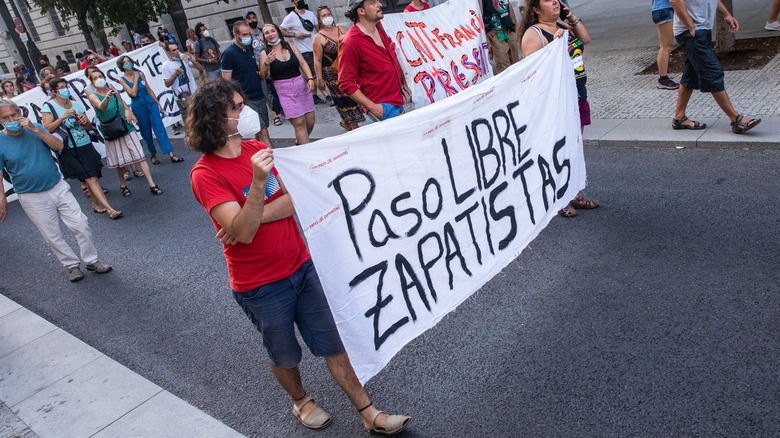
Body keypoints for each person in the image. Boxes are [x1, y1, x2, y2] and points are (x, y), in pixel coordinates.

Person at [187, 78, 411, 436]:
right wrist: (257, 188)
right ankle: (301, 400)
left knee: (332, 344)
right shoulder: (205, 174)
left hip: (301, 267)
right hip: (259, 285)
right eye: (237, 108)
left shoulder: (255, 150)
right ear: (217, 118)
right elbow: (243, 235)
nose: (246, 112)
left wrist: (249, 214)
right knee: (285, 355)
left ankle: (370, 414)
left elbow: (293, 201)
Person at [0, 100, 113, 281]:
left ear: (20, 112)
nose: (12, 119)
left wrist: (35, 130)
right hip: (30, 196)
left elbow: (58, 146)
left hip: (57, 186)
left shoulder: (35, 128)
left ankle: (92, 260)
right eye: (6, 118)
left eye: (14, 115)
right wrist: (2, 199)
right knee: (52, 235)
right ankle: (71, 266)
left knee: (81, 223)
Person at [521, 0, 599, 218]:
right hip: (556, 101)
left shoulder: (564, 27)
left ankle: (573, 192)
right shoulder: (533, 34)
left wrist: (571, 17)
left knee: (575, 146)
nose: (555, 1)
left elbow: (586, 39)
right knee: (557, 148)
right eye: (547, 0)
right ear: (536, 9)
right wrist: (552, 49)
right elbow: (532, 72)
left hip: (577, 95)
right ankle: (557, 196)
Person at [669, 0, 761, 134]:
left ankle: (679, 118)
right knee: (713, 72)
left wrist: (726, 14)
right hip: (691, 32)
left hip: (701, 30)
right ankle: (736, 119)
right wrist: (690, 24)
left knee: (691, 75)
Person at [41, 78, 122, 219]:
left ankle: (96, 205)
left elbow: (89, 127)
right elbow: (47, 128)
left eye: (66, 86)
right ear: (54, 92)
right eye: (61, 87)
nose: (65, 89)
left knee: (92, 175)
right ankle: (109, 209)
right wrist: (63, 117)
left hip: (84, 144)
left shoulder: (76, 105)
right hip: (69, 148)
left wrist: (85, 123)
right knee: (90, 178)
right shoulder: (49, 107)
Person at [86, 68, 162, 197]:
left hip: (125, 126)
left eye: (100, 76)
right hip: (112, 130)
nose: (99, 79)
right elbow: (101, 107)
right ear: (92, 83)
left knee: (140, 155)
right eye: (95, 78)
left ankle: (152, 184)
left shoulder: (112, 89)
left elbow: (121, 101)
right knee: (118, 162)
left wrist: (128, 111)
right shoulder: (93, 95)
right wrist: (107, 97)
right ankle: (123, 185)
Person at [339, 0, 410, 123]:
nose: (380, 4)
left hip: (397, 99)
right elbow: (345, 83)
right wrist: (372, 107)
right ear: (361, 11)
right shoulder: (351, 42)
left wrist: (404, 81)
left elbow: (392, 55)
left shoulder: (379, 26)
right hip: (383, 106)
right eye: (373, 2)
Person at [116, 55, 185, 164]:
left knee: (159, 128)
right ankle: (153, 154)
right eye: (125, 62)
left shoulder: (140, 74)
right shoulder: (122, 79)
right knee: (146, 132)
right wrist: (135, 79)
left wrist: (157, 103)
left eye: (129, 61)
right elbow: (132, 93)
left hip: (149, 102)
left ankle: (170, 153)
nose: (128, 63)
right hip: (138, 105)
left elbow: (148, 89)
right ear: (121, 66)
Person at [259, 24, 316, 145]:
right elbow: (264, 76)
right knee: (299, 123)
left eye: (272, 31)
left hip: (301, 86)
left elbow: (303, 63)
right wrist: (266, 63)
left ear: (278, 32)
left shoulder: (291, 46)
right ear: (264, 37)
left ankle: (300, 142)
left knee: (310, 121)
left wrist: (310, 78)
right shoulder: (265, 54)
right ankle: (306, 152)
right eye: (267, 33)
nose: (270, 34)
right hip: (283, 91)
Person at [221, 20, 273, 147]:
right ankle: (274, 162)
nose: (247, 37)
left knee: (259, 129)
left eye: (249, 34)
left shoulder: (248, 49)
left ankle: (257, 156)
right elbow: (226, 82)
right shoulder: (229, 54)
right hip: (246, 100)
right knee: (263, 132)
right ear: (236, 36)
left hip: (259, 95)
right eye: (244, 35)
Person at [312, 6, 365, 130]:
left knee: (355, 93)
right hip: (332, 73)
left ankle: (344, 120)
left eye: (328, 14)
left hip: (348, 68)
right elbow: (317, 60)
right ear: (319, 20)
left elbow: (354, 44)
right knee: (344, 98)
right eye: (323, 16)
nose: (327, 17)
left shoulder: (341, 29)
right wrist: (319, 79)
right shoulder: (318, 37)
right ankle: (353, 126)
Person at [281, 0, 327, 105]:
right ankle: (326, 95)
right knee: (314, 74)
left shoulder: (310, 14)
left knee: (320, 71)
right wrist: (294, 35)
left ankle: (314, 95)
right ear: (293, 3)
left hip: (315, 47)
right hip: (303, 50)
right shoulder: (290, 17)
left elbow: (318, 28)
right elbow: (281, 30)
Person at [162, 42, 203, 135]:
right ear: (168, 53)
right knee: (191, 124)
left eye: (177, 49)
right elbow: (167, 84)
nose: (177, 52)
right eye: (173, 50)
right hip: (183, 98)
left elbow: (200, 68)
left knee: (201, 119)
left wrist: (191, 60)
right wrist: (175, 75)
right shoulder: (166, 66)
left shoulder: (183, 60)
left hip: (194, 93)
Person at [481, 0, 520, 74]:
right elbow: (479, 15)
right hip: (495, 32)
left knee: (516, 65)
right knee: (504, 68)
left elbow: (509, 6)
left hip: (509, 29)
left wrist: (515, 27)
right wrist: (487, 41)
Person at [652, 0, 680, 89]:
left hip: (663, 9)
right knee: (665, 47)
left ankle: (663, 78)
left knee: (665, 46)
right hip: (664, 10)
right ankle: (663, 79)